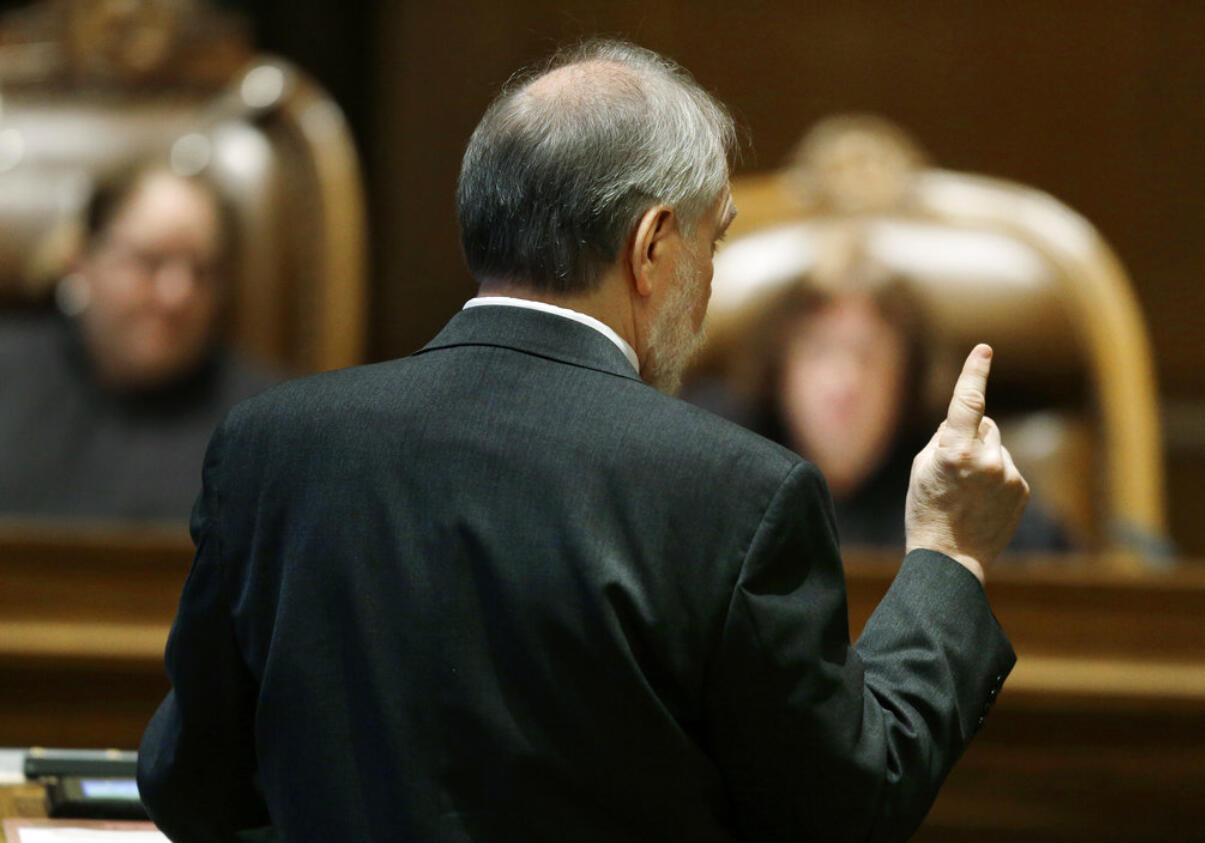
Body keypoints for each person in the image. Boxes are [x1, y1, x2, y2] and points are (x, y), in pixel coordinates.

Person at [138, 40, 1026, 842]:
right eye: (711, 244)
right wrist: (947, 551)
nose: (708, 285)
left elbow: (189, 787)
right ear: (651, 247)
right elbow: (848, 807)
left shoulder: (270, 447)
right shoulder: (733, 496)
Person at [687, 245, 1069, 551]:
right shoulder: (718, 454)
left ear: (907, 381)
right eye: (820, 351)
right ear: (779, 373)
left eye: (868, 356)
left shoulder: (958, 473)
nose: (844, 382)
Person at [0, 161, 278, 521]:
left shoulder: (266, 424)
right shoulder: (8, 379)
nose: (176, 295)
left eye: (201, 269)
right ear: (81, 262)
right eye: (149, 261)